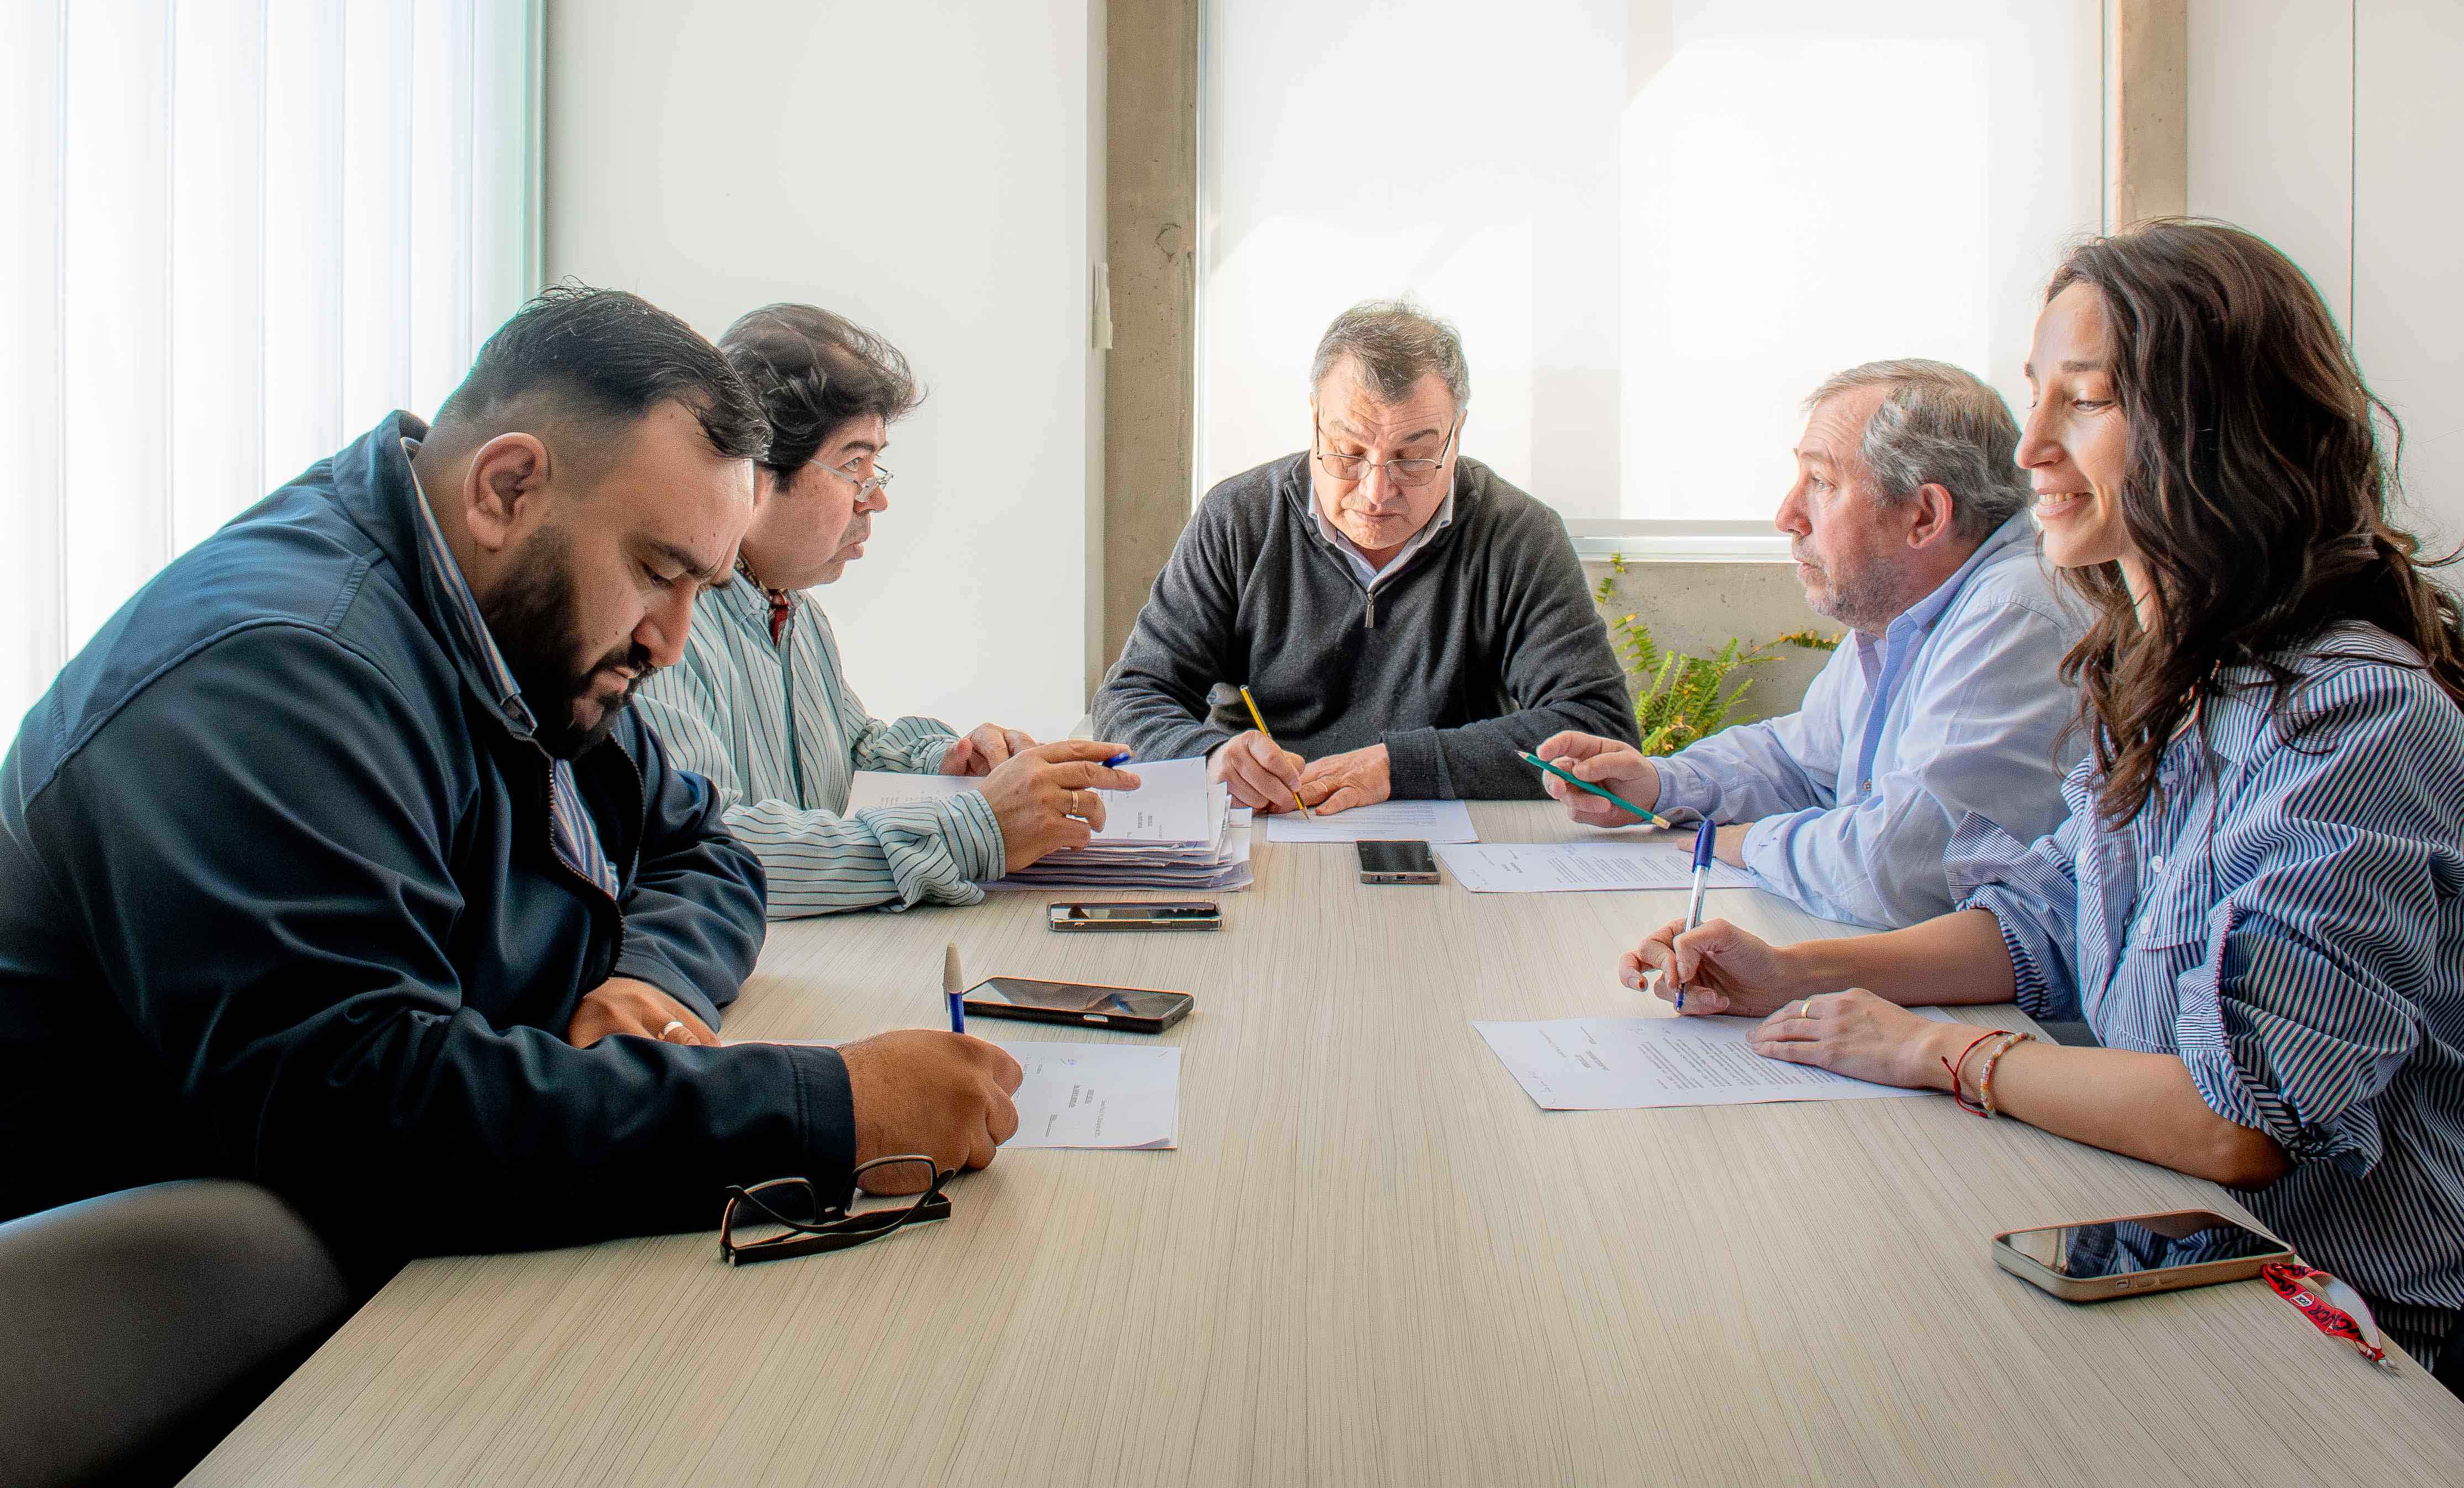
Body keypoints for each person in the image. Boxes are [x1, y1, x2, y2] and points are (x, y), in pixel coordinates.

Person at [1617, 222, 2464, 1366]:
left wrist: (1936, 1052)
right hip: (2182, 1248)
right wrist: (1794, 972)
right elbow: (2047, 919)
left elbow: (2241, 1122)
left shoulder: (2351, 716)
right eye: (2037, 397)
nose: (2029, 449)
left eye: (2087, 401)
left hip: (2370, 1318)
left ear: (2212, 434)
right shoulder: (2166, 678)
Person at [0, 288, 1022, 1260]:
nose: (672, 642)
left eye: (701, 588)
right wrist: (829, 1111)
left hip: (395, 1259)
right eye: (659, 573)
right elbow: (362, 1111)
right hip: (189, 1329)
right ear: (505, 489)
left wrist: (640, 982)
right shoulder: (270, 670)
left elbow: (703, 851)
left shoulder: (519, 629)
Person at [1533, 361, 2083, 926]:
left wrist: (1748, 842)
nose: (1787, 516)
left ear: (1924, 515)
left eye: (1821, 483)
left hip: (2003, 1010)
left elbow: (1895, 866)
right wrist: (1657, 783)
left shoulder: (2016, 615)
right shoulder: (1905, 610)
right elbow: (1803, 762)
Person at [632, 305, 1137, 916]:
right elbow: (718, 843)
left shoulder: (796, 613)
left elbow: (849, 751)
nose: (877, 498)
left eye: (877, 466)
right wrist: (976, 826)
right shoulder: (660, 629)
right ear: (756, 471)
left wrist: (949, 762)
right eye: (853, 465)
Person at [1093, 299, 1638, 814]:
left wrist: (1400, 766)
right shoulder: (1238, 519)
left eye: (1414, 457)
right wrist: (1210, 756)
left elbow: (1599, 726)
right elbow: (1131, 698)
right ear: (1313, 420)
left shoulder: (1518, 534)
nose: (1376, 491)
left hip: (1451, 839)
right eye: (1349, 451)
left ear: (1457, 434)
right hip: (1268, 827)